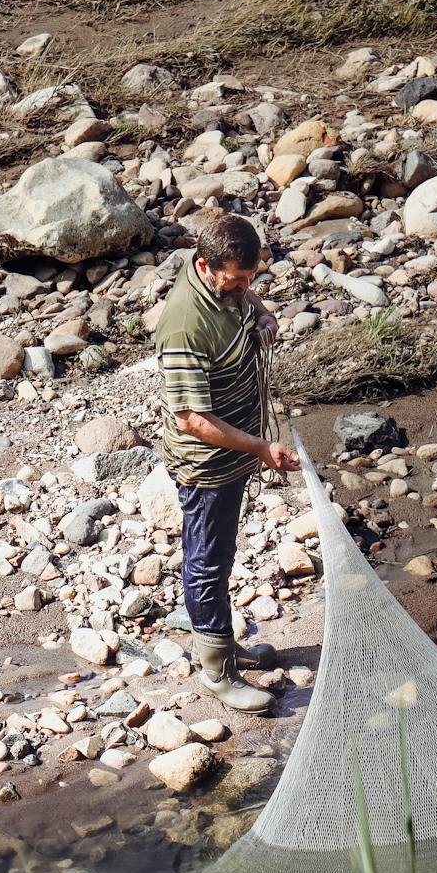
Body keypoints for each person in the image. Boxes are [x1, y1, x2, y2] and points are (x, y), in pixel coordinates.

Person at [154, 213, 296, 714]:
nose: (244, 285)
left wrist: (259, 311)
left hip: (233, 453)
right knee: (206, 561)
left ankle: (226, 643)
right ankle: (215, 669)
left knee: (222, 553)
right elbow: (191, 418)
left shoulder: (227, 284)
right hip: (207, 464)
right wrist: (259, 448)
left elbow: (244, 295)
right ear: (204, 265)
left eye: (251, 277)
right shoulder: (183, 325)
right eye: (236, 279)